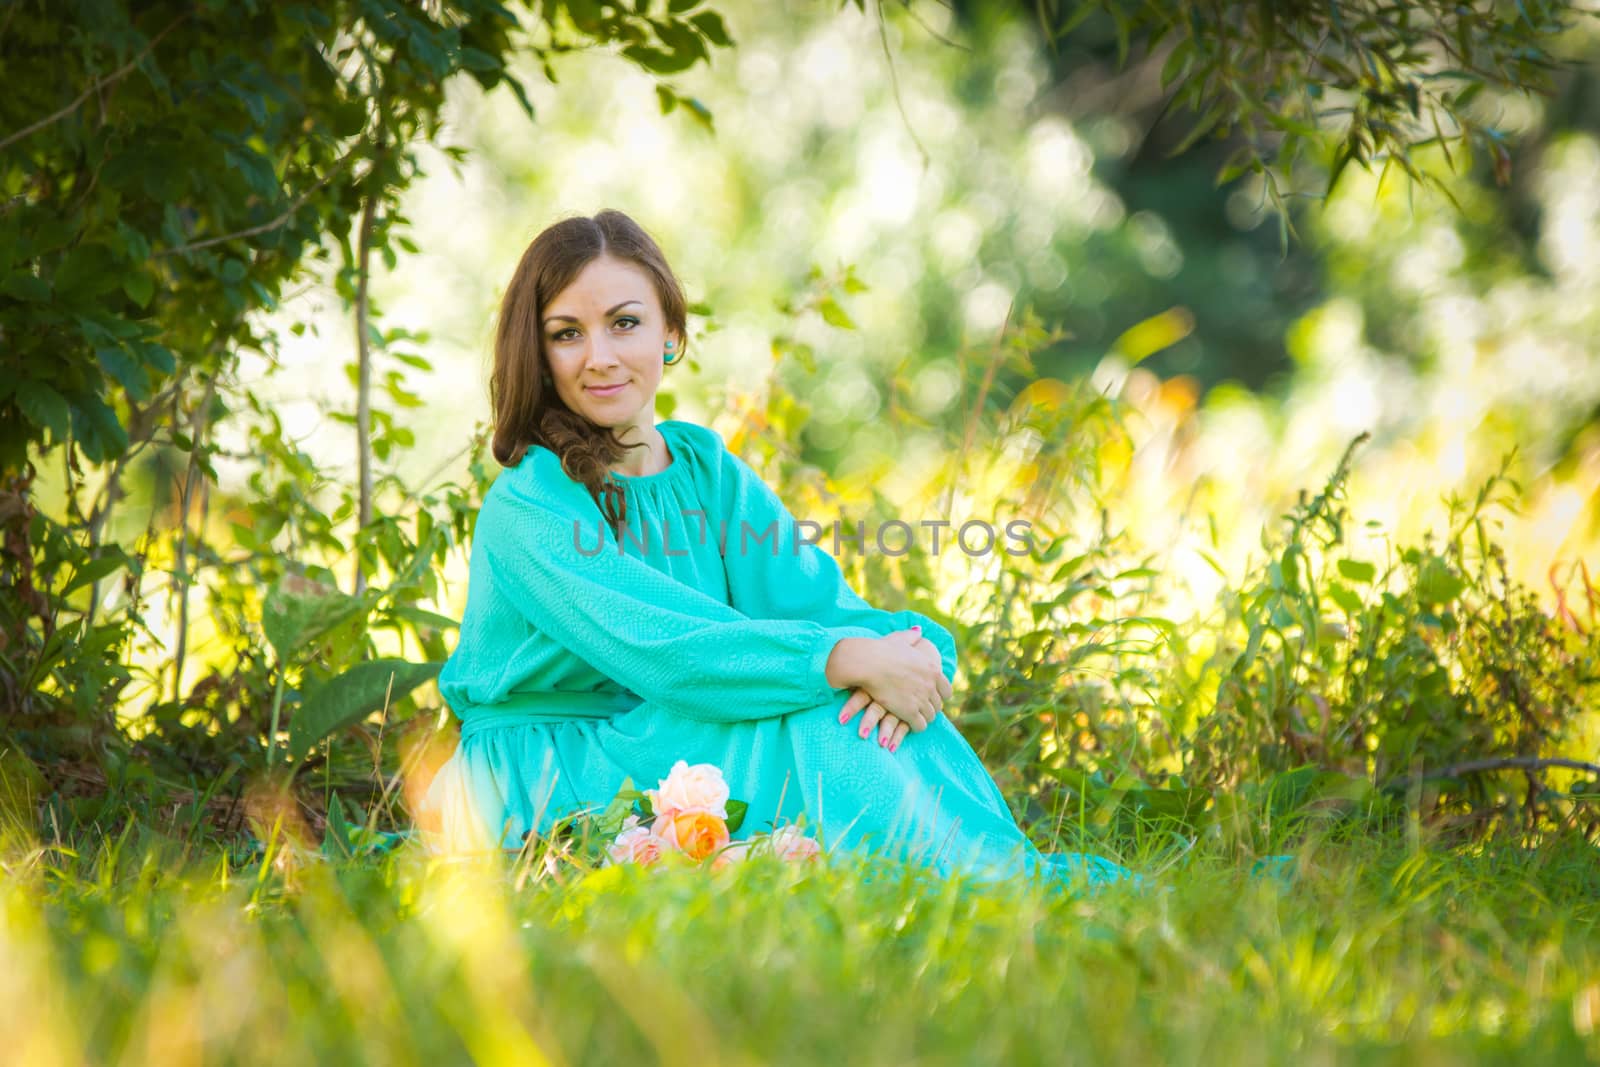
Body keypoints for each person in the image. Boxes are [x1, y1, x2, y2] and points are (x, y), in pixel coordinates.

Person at [418, 209, 1135, 888]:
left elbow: (819, 603)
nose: (598, 357)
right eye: (567, 333)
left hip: (657, 729)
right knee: (822, 702)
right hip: (547, 769)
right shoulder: (531, 503)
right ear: (538, 353)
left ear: (671, 334)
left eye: (624, 323)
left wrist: (914, 655)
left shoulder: (703, 467)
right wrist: (839, 658)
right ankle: (974, 887)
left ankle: (1007, 875)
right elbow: (668, 648)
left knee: (858, 694)